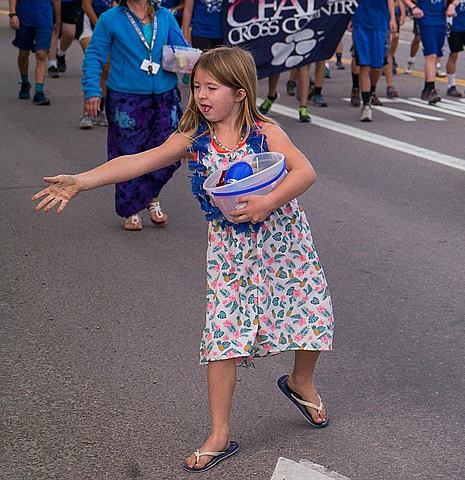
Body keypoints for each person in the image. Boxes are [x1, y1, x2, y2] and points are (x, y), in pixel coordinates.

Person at [33, 46, 334, 473]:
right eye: (196, 86)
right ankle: (219, 433)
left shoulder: (265, 131)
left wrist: (268, 201)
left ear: (241, 93)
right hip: (232, 251)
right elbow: (137, 161)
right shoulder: (194, 139)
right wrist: (81, 181)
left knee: (310, 315)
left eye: (212, 87)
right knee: (224, 334)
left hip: (283, 241)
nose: (201, 95)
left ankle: (301, 380)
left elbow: (305, 171)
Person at [80, 0, 186, 228]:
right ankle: (131, 209)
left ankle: (151, 195)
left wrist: (198, 66)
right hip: (126, 99)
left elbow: (184, 53)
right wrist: (93, 90)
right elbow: (94, 56)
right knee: (127, 154)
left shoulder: (165, 16)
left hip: (165, 96)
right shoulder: (110, 18)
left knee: (171, 152)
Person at [259, 0, 313, 123]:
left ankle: (303, 107)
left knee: (303, 63)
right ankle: (271, 94)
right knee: (277, 59)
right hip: (282, 20)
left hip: (303, 21)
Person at [349, 0, 399, 122]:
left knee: (377, 66)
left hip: (379, 23)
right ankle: (366, 104)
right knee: (364, 64)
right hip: (360, 22)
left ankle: (370, 93)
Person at [8, 0, 60, 105]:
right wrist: (13, 14)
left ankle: (39, 91)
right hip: (25, 18)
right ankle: (25, 82)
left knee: (41, 53)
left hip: (44, 19)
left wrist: (57, 20)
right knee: (23, 54)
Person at [410, 0, 456, 104]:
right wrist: (413, 6)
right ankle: (431, 88)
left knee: (437, 54)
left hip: (440, 18)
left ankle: (426, 87)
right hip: (426, 17)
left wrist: (452, 4)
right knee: (430, 54)